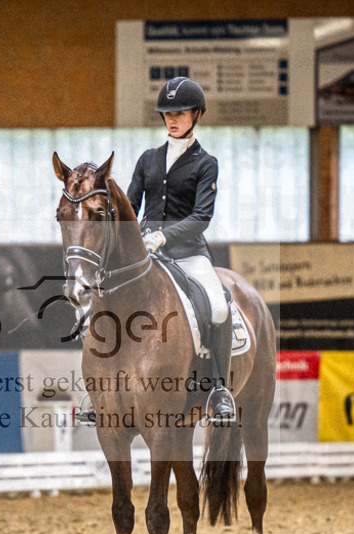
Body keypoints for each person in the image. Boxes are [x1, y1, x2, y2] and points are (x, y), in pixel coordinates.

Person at [126, 76, 236, 422]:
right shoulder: (148, 160)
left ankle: (219, 388)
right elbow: (130, 208)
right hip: (146, 255)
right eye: (167, 113)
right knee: (108, 299)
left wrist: (164, 236)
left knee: (217, 307)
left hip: (188, 253)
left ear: (197, 115)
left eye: (181, 112)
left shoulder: (206, 163)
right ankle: (99, 388)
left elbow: (202, 216)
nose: (172, 119)